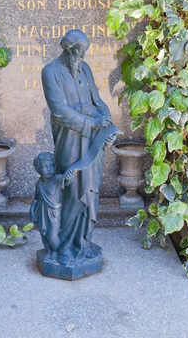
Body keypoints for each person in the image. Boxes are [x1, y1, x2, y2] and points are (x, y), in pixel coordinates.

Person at [41, 29, 119, 265]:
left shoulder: (84, 68)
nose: (83, 55)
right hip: (69, 141)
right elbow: (59, 110)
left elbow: (97, 99)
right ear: (67, 47)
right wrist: (92, 122)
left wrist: (107, 120)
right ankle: (64, 246)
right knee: (73, 190)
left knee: (90, 191)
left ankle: (82, 243)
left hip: (92, 141)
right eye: (80, 50)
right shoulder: (50, 72)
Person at [30, 152, 75, 261]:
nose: (49, 169)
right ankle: (48, 250)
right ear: (38, 169)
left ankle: (55, 250)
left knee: (52, 235)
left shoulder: (55, 180)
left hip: (54, 214)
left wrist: (69, 176)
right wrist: (32, 209)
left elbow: (65, 180)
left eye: (51, 166)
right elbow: (36, 198)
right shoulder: (39, 183)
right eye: (45, 167)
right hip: (41, 211)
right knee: (43, 233)